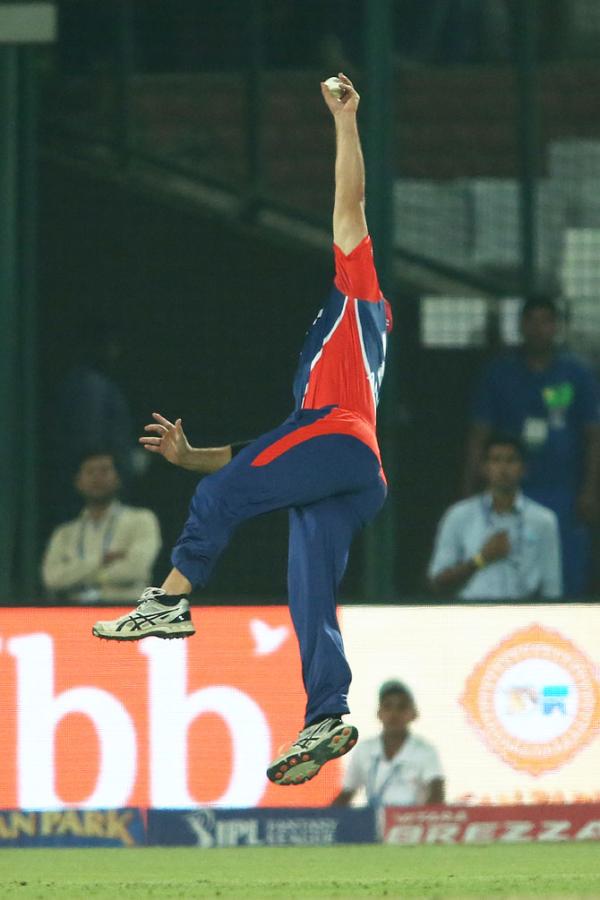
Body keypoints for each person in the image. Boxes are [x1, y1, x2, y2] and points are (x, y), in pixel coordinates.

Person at [92, 74, 393, 787]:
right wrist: (194, 455)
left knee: (224, 496)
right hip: (352, 468)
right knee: (309, 588)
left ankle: (167, 601)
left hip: (342, 438)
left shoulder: (356, 297)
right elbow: (271, 452)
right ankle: (328, 711)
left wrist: (345, 122)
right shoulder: (318, 363)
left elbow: (350, 203)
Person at [463, 295, 600, 597]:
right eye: (532, 321)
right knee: (509, 566)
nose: (539, 329)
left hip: (564, 490)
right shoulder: (499, 374)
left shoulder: (577, 374)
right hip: (509, 492)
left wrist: (590, 489)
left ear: (557, 327)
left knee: (566, 569)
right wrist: (470, 486)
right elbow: (479, 434)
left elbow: (593, 436)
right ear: (522, 327)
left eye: (546, 321)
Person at [433, 434, 561, 599]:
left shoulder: (544, 520)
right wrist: (481, 558)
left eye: (511, 460)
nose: (503, 468)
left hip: (524, 614)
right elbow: (438, 582)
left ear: (524, 468)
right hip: (471, 613)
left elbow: (552, 588)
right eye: (496, 460)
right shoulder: (459, 515)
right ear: (484, 468)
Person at [42, 450, 161, 603]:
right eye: (90, 472)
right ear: (78, 481)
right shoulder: (65, 533)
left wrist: (78, 574)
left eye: (104, 471)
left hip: (126, 611)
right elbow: (52, 578)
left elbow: (136, 571)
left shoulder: (141, 520)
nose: (97, 478)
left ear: (117, 478)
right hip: (76, 615)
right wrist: (102, 560)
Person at [332, 680, 444, 808]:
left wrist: (425, 819)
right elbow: (347, 793)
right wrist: (323, 821)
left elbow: (437, 792)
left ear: (414, 714)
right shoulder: (365, 749)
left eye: (401, 707)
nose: (394, 714)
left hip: (412, 823)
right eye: (387, 706)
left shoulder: (425, 751)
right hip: (372, 823)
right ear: (379, 714)